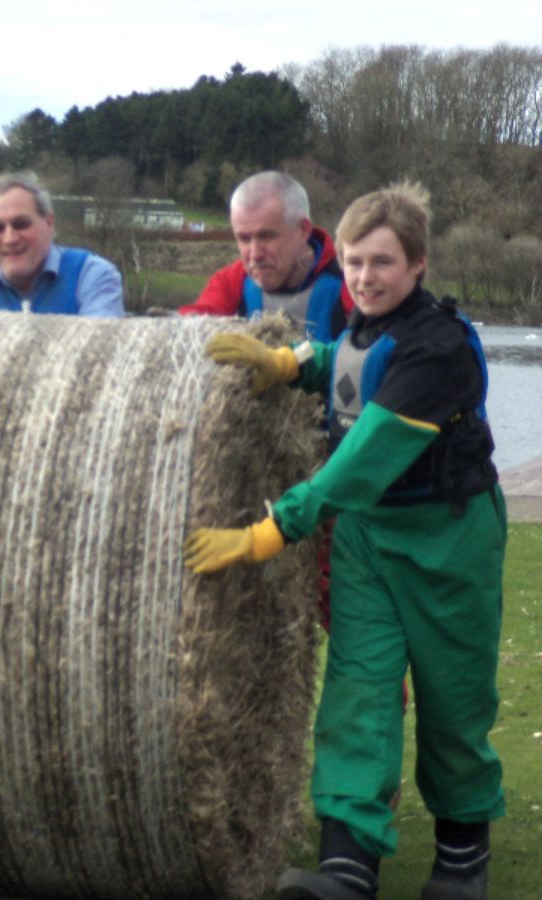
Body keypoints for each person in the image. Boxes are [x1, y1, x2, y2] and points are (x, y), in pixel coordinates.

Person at [184, 182, 504, 900]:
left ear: (418, 264)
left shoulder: (439, 348)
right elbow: (346, 360)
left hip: (445, 538)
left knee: (454, 700)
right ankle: (346, 869)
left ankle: (461, 858)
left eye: (382, 263)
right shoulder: (367, 327)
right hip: (367, 541)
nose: (364, 277)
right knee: (357, 695)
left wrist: (272, 530)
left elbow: (361, 459)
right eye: (355, 261)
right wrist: (291, 364)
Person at [180, 171, 352, 342]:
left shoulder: (350, 280)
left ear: (303, 230)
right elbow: (189, 331)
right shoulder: (230, 282)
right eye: (244, 239)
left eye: (267, 236)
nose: (255, 254)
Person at [0, 172, 124, 317]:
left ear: (48, 222)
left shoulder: (91, 278)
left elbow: (99, 353)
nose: (9, 239)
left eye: (21, 224)